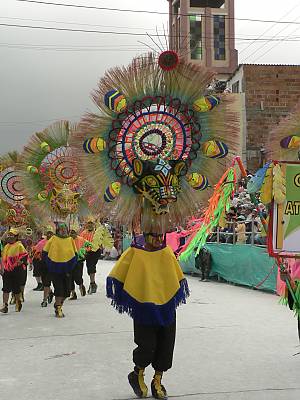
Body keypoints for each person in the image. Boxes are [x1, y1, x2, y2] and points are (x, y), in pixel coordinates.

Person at [107, 232, 190, 399]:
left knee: (166, 345)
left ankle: (157, 379)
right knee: (146, 345)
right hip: (143, 306)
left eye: (161, 235)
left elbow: (177, 277)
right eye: (154, 235)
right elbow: (118, 274)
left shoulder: (166, 252)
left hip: (166, 308)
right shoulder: (135, 252)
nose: (158, 239)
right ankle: (137, 373)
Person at [42, 222, 77, 318]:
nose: (63, 231)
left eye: (65, 229)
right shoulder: (53, 239)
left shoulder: (70, 240)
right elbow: (45, 252)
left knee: (67, 291)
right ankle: (58, 308)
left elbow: (75, 253)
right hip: (55, 269)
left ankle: (58, 303)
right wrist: (50, 264)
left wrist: (71, 265)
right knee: (59, 289)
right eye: (61, 229)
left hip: (67, 270)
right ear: (58, 230)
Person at [0, 228, 28, 314]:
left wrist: (20, 261)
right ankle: (5, 305)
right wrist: (1, 268)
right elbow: (3, 258)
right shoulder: (6, 246)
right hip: (7, 270)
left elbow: (25, 255)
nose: (10, 237)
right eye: (9, 235)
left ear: (16, 237)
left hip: (16, 270)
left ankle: (18, 301)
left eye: (12, 235)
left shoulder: (19, 245)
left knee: (16, 288)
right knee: (5, 288)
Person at [32, 226, 54, 307]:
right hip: (44, 266)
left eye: (50, 233)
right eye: (47, 233)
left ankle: (47, 297)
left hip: (54, 266)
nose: (49, 234)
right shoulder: (41, 242)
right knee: (46, 283)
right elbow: (35, 252)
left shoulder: (56, 242)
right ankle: (47, 297)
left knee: (49, 283)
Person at [80, 218, 101, 294]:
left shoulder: (97, 232)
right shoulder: (83, 233)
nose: (90, 225)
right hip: (87, 252)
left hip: (95, 251)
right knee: (89, 267)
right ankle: (92, 283)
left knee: (91, 266)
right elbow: (80, 242)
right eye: (88, 223)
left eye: (91, 223)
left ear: (93, 224)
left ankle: (92, 283)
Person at [69, 224, 89, 300]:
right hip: (69, 261)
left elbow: (89, 244)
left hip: (79, 261)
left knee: (78, 277)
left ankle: (81, 285)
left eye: (73, 232)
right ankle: (73, 294)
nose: (72, 234)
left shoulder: (81, 239)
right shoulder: (67, 240)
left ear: (76, 233)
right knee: (70, 278)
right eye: (71, 233)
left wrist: (84, 251)